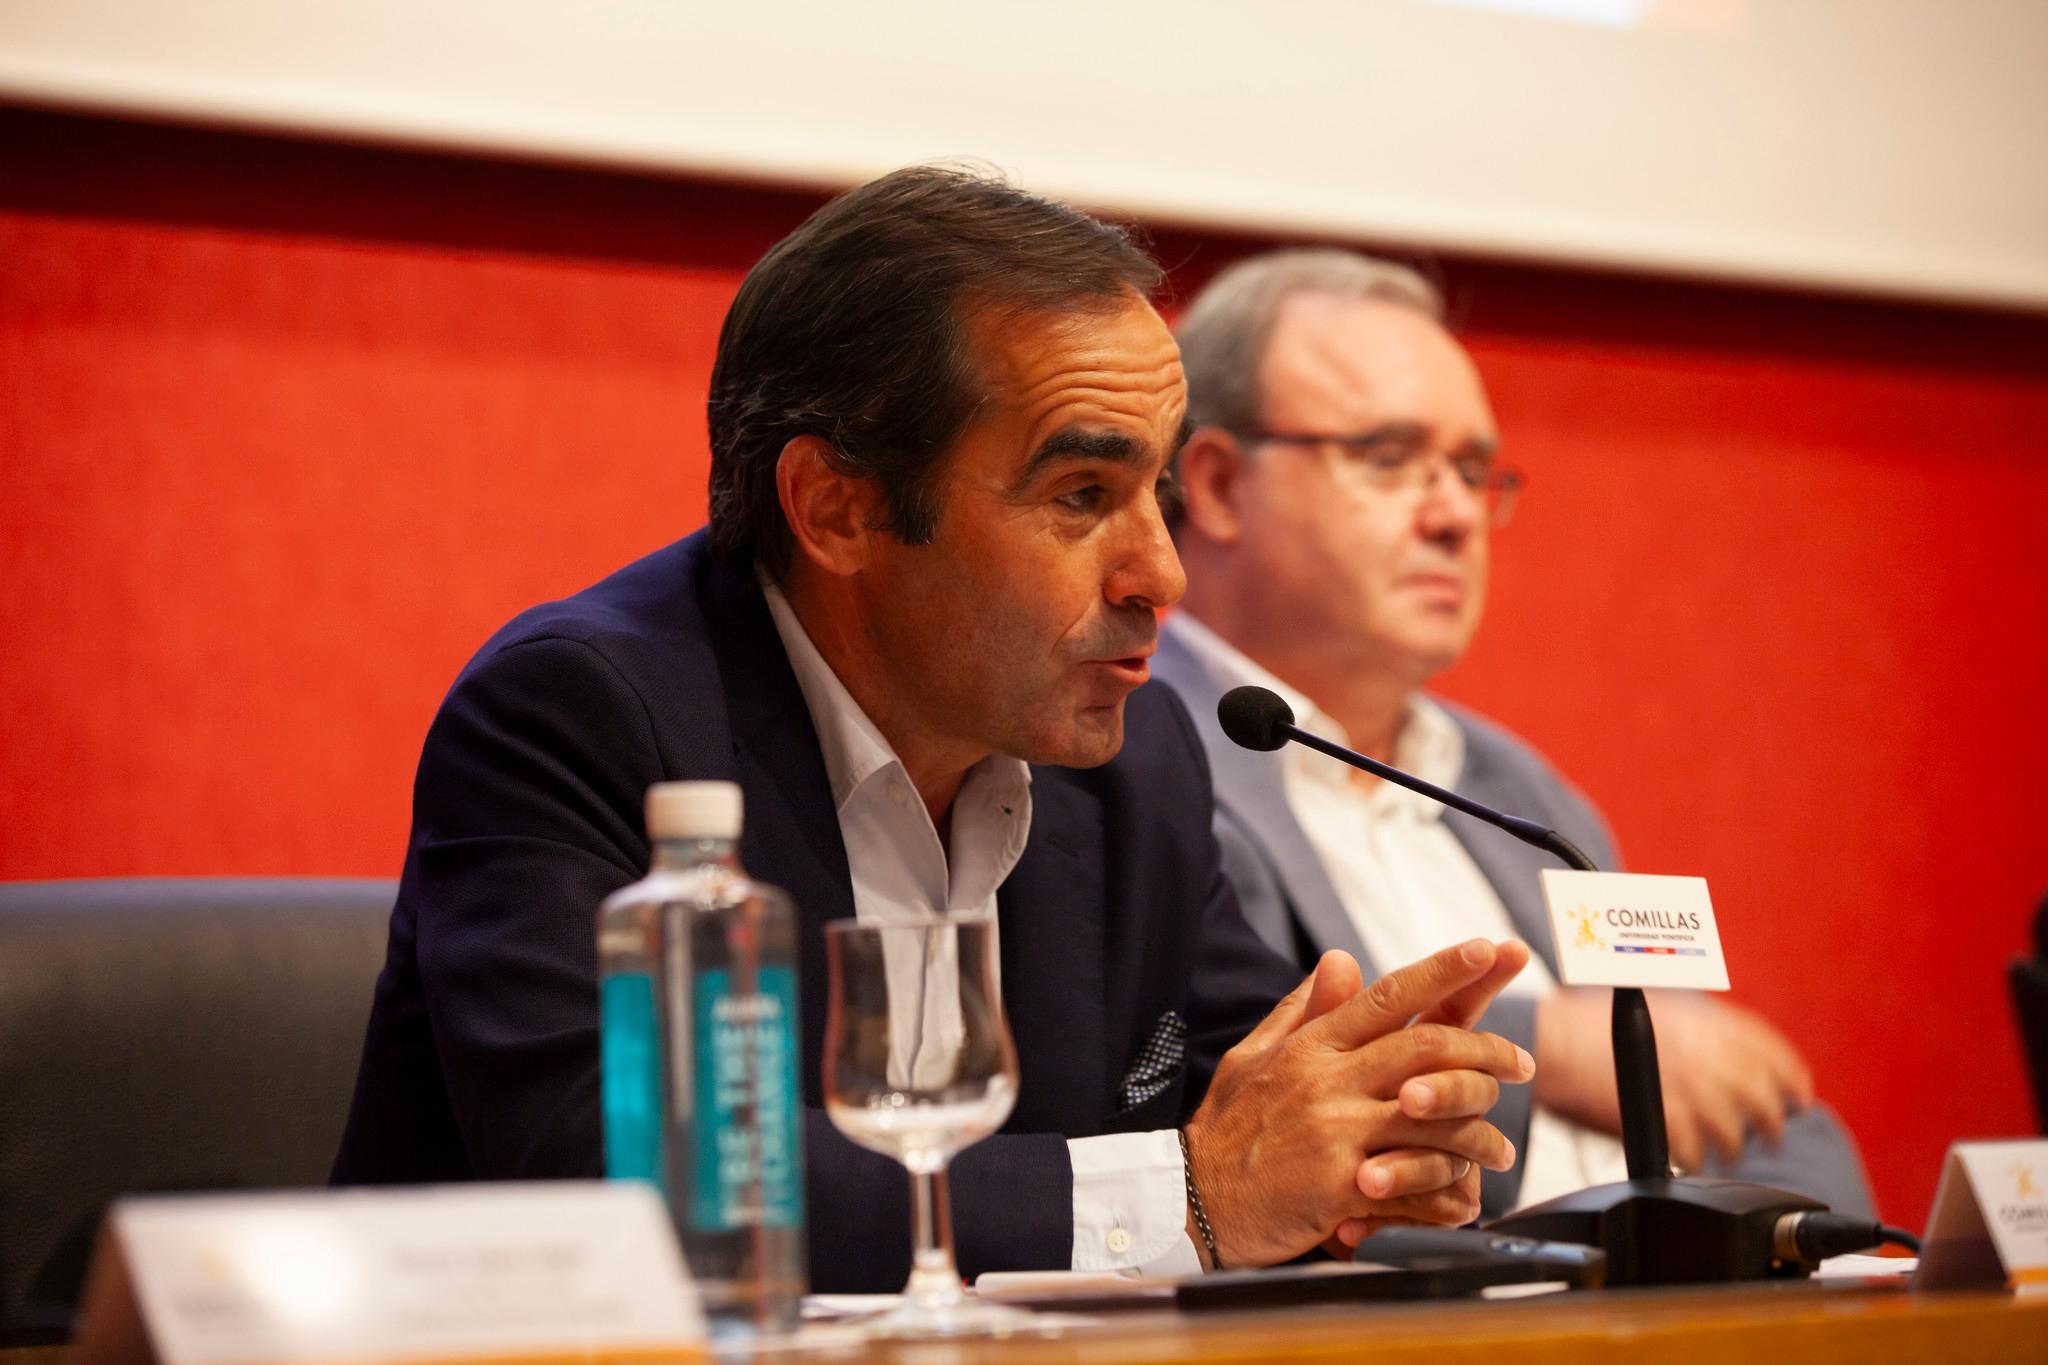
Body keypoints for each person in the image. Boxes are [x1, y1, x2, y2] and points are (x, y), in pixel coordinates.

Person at [331, 170, 1541, 1290]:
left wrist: (1372, 1139)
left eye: (1155, 494)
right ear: (837, 509)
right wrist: (1186, 1191)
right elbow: (617, 1182)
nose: (1158, 573)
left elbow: (1245, 1101)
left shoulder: (1136, 762)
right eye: (1081, 497)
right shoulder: (583, 717)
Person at [1155, 248, 1875, 1219]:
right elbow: (1258, 1096)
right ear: (1215, 486)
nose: (1455, 514)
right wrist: (1554, 1049)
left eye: (1468, 468)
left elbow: (1713, 1090)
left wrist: (1811, 1257)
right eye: (1387, 457)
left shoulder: (1517, 790)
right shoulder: (1133, 762)